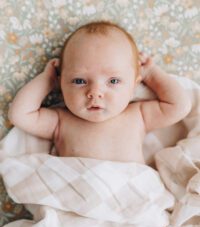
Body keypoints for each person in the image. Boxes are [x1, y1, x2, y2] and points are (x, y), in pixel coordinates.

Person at [8, 21, 191, 163]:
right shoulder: (60, 121)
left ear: (134, 85)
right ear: (61, 83)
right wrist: (46, 80)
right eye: (79, 81)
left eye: (113, 81)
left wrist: (152, 74)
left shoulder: (139, 115)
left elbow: (180, 106)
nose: (95, 93)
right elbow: (20, 115)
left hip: (129, 199)